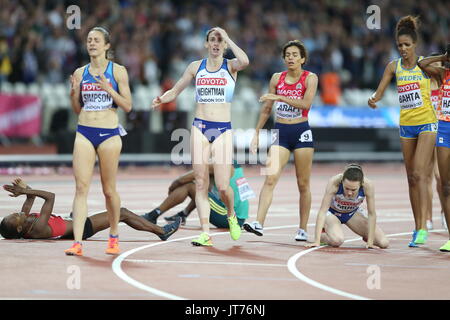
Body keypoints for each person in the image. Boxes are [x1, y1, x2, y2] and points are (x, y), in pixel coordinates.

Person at [151, 27, 249, 246]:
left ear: (224, 45)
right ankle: (206, 233)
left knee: (223, 186)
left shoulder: (231, 66)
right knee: (201, 183)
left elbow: (245, 61)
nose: (215, 43)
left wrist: (228, 37)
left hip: (223, 129)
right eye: (212, 40)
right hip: (199, 127)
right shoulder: (196, 67)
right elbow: (175, 90)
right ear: (206, 44)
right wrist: (162, 99)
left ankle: (231, 215)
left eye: (219, 40)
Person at [368, 16, 437, 247]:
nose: (403, 49)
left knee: (419, 173)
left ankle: (424, 226)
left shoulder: (425, 65)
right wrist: (373, 99)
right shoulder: (393, 66)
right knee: (411, 178)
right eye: (400, 46)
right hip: (406, 125)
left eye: (407, 45)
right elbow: (379, 92)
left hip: (428, 123)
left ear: (415, 45)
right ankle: (417, 227)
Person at [65, 27, 132, 256]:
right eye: (89, 40)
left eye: (96, 40)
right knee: (81, 188)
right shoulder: (80, 72)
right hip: (84, 131)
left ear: (106, 46)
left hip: (109, 134)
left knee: (109, 190)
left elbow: (128, 106)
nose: (91, 43)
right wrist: (73, 94)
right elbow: (77, 109)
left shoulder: (118, 71)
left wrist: (108, 90)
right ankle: (77, 242)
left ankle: (113, 235)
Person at [244, 40, 318, 241]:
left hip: (301, 130)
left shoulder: (310, 78)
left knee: (303, 183)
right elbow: (267, 108)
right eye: (287, 55)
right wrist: (257, 133)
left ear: (303, 59)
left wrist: (280, 98)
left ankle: (302, 229)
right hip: (280, 131)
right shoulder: (277, 78)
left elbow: (306, 103)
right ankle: (258, 222)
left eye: (295, 55)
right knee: (270, 177)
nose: (291, 58)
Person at [0, 178, 180, 247]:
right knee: (122, 212)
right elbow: (50, 197)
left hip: (73, 221)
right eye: (16, 217)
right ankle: (162, 232)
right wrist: (26, 192)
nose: (18, 214)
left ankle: (159, 231)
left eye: (15, 213)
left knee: (119, 213)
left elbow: (30, 199)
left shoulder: (24, 222)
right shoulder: (37, 228)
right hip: (83, 228)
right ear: (18, 230)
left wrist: (24, 189)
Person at [141, 162, 253, 232]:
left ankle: (153, 215)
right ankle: (183, 214)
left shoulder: (219, 165)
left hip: (230, 217)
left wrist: (173, 185)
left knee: (192, 186)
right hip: (235, 215)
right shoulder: (232, 164)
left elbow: (184, 179)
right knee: (201, 187)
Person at [305, 164, 389, 249]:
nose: (349, 193)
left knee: (383, 243)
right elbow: (322, 211)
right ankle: (323, 236)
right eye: (346, 188)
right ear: (342, 181)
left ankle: (365, 236)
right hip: (333, 213)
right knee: (337, 241)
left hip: (352, 213)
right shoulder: (334, 182)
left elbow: (372, 214)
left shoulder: (368, 185)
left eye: (353, 190)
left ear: (361, 184)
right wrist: (317, 240)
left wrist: (370, 242)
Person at [417, 46, 450, 251]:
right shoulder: (443, 73)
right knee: (445, 186)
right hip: (444, 128)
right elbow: (422, 64)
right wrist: (443, 57)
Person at [425, 53, 446, 231]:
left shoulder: (443, 82)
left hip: (441, 130)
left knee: (440, 177)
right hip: (426, 131)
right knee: (426, 177)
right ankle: (428, 217)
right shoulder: (423, 83)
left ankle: (443, 211)